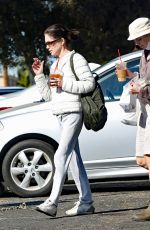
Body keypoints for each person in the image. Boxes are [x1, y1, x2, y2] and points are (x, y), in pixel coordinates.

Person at [32, 24, 95, 217]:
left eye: (51, 43)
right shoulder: (56, 64)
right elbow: (49, 95)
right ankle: (86, 202)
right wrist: (40, 76)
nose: (48, 47)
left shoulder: (76, 58)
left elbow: (89, 83)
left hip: (73, 112)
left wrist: (63, 83)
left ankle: (52, 202)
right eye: (46, 44)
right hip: (60, 113)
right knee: (74, 159)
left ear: (61, 41)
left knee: (60, 155)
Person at [117, 17, 150, 221]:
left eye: (138, 38)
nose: (136, 43)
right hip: (145, 111)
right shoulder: (145, 55)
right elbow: (145, 79)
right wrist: (132, 76)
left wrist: (143, 88)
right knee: (142, 160)